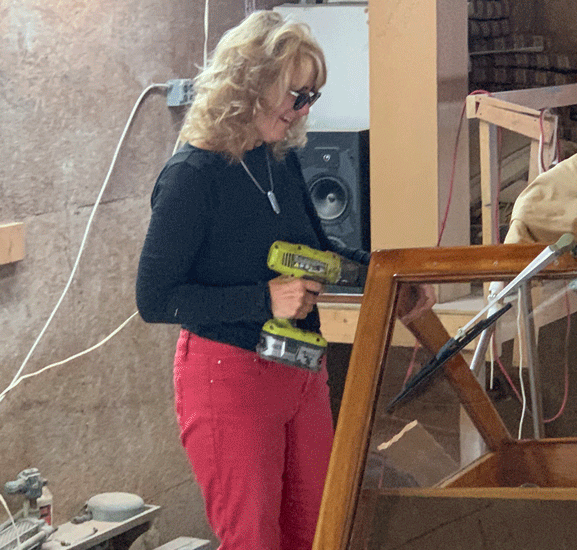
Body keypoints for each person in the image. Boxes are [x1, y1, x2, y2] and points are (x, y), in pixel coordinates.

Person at [135, 11, 434, 550]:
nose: (303, 110)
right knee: (253, 539)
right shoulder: (191, 177)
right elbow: (155, 299)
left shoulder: (277, 158)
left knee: (321, 530)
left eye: (312, 98)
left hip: (299, 368)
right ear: (248, 85)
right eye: (296, 95)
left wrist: (388, 279)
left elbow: (319, 254)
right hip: (228, 375)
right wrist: (263, 298)